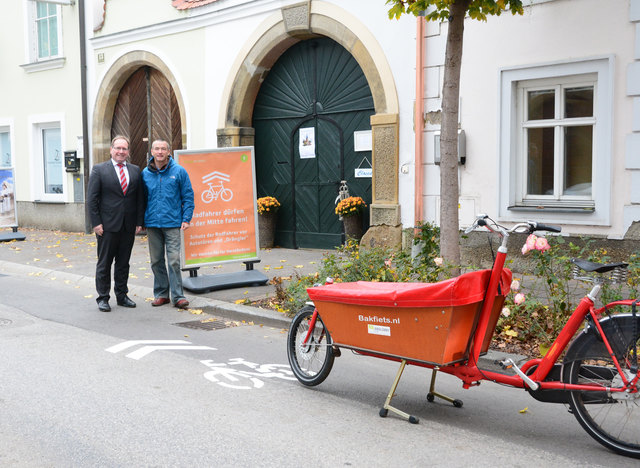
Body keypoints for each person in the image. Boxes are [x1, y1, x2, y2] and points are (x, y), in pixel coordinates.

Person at [87, 135, 144, 312]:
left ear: (128, 151)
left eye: (124, 149)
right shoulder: (99, 170)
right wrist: (96, 223)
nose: (121, 151)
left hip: (128, 226)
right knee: (104, 263)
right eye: (118, 148)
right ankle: (103, 297)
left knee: (123, 263)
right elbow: (92, 199)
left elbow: (139, 199)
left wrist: (139, 222)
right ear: (111, 150)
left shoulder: (135, 170)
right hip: (107, 226)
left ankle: (122, 295)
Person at [142, 139, 194, 309]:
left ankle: (178, 296)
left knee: (173, 261)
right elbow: (140, 199)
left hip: (172, 223)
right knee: (156, 261)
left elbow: (188, 196)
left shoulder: (179, 171)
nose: (160, 152)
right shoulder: (145, 173)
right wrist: (140, 221)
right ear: (152, 151)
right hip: (152, 224)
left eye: (163, 149)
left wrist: (186, 218)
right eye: (156, 149)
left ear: (169, 152)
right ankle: (161, 294)